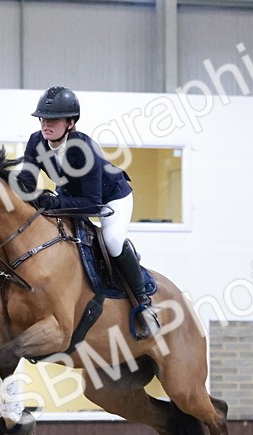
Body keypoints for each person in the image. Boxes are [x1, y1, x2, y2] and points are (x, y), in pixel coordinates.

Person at [16, 86, 160, 339]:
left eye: (53, 120)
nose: (45, 125)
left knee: (112, 241)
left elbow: (93, 204)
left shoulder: (86, 150)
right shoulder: (36, 141)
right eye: (43, 119)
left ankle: (144, 304)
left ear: (71, 123)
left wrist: (54, 203)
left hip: (111, 198)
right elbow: (28, 182)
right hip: (69, 195)